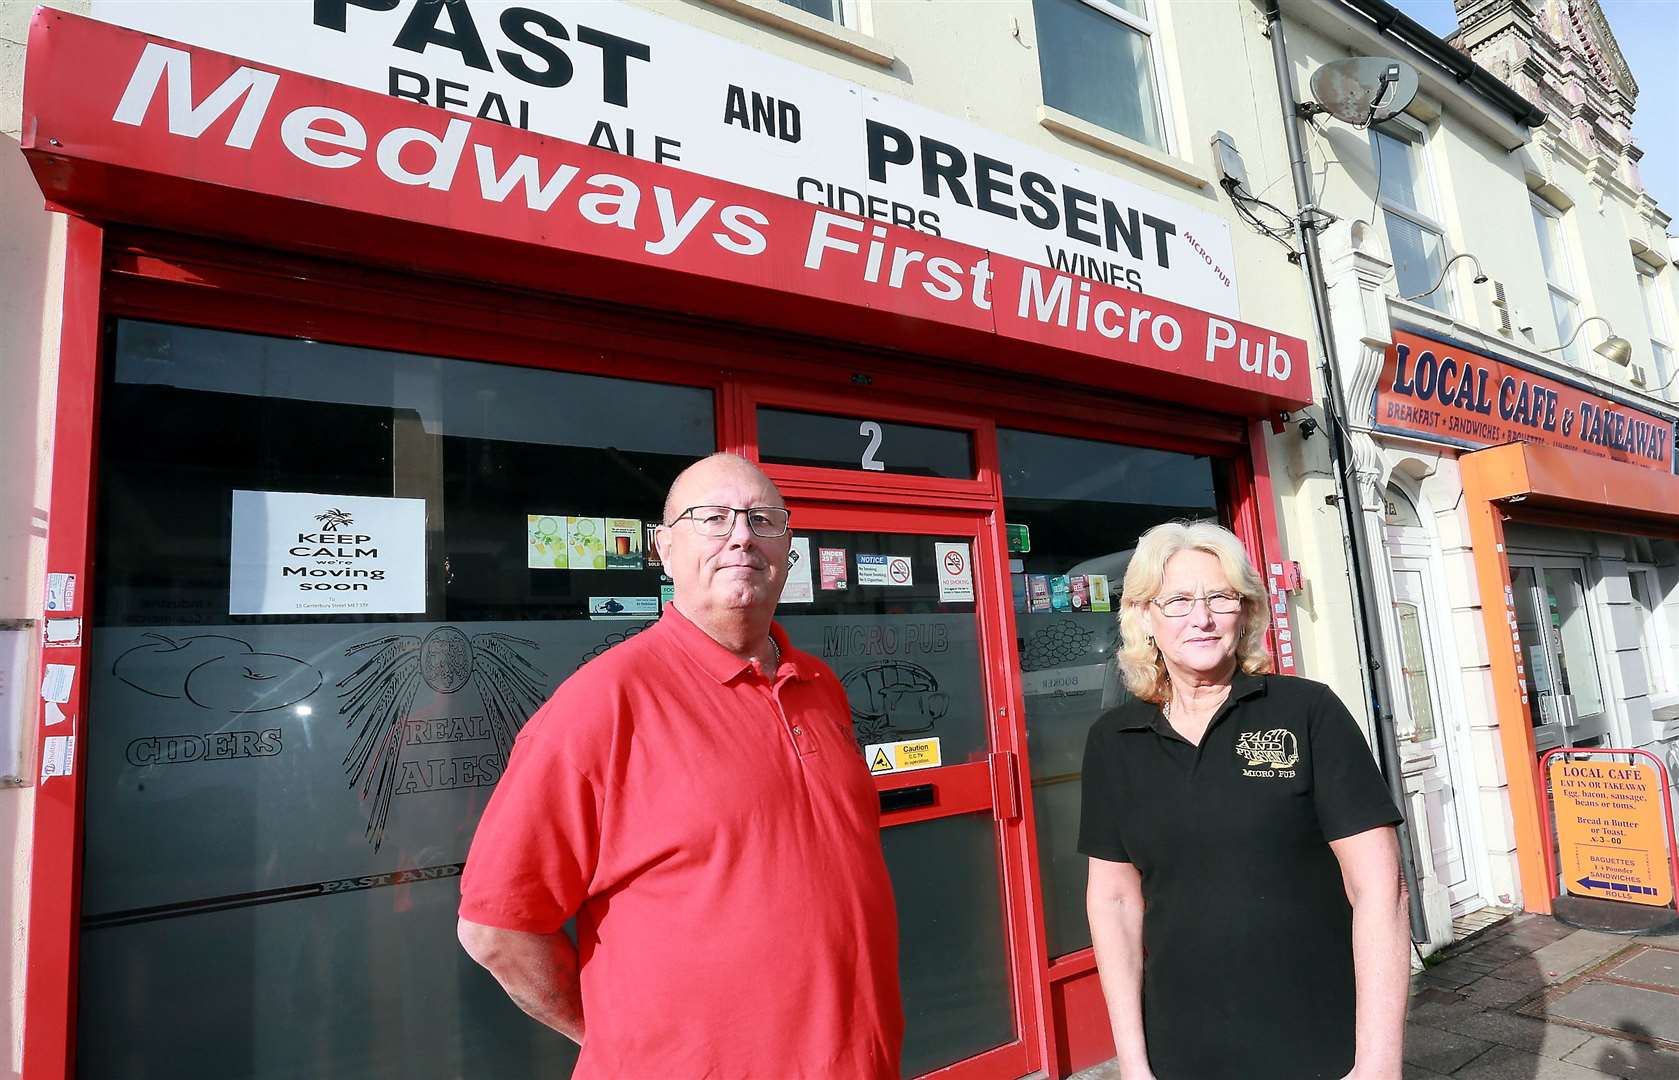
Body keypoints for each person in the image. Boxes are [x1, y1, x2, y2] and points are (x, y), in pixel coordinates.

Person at [457, 452, 903, 1079]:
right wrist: (616, 1040)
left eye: (763, 519)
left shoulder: (820, 685)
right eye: (712, 518)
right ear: (664, 549)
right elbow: (495, 928)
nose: (742, 535)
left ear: (789, 547)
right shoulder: (603, 703)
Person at [1079, 521, 1409, 1080]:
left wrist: (1377, 1061)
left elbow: (1379, 889)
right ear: (1144, 618)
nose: (1201, 618)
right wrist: (1133, 1063)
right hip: (1181, 1050)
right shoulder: (1114, 740)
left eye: (1220, 598)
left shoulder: (1307, 712)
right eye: (1177, 600)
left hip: (1319, 1040)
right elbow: (1113, 904)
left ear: (1247, 613)